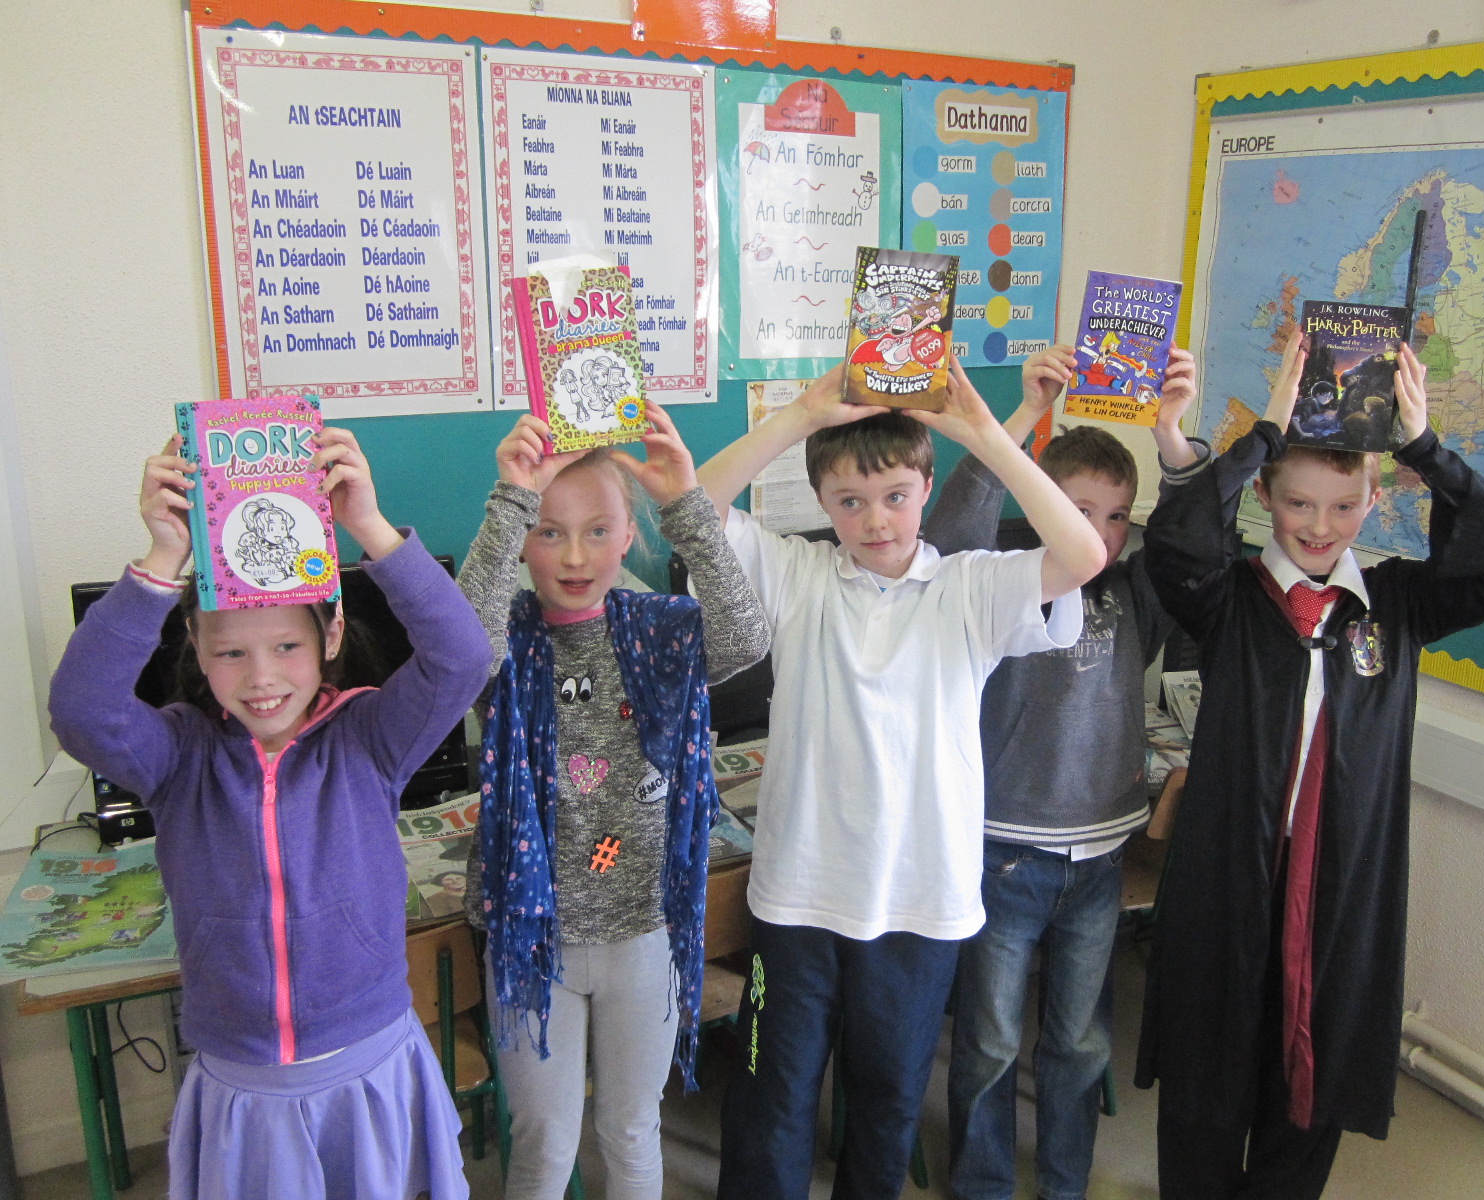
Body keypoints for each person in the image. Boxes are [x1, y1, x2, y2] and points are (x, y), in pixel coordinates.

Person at [1135, 333, 1484, 1200]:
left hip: (1339, 886)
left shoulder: (1395, 607)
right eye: (1296, 504)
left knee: (1312, 1076)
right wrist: (1264, 434)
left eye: (1344, 506)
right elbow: (1175, 540)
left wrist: (1423, 448)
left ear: (1372, 501)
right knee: (1209, 1076)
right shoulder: (1229, 599)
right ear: (1265, 497)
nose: (1319, 528)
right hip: (1231, 878)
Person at [697, 360, 1110, 1200]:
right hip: (799, 897)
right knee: (773, 1100)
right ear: (823, 504)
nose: (875, 519)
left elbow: (1083, 552)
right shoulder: (799, 574)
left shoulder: (972, 585)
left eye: (894, 495)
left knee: (887, 1103)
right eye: (850, 501)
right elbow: (690, 509)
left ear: (926, 488)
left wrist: (985, 432)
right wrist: (800, 416)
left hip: (920, 902)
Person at [49, 429, 492, 1200]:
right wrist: (161, 559)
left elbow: (462, 657)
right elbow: (81, 712)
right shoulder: (177, 755)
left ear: (332, 635)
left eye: (286, 646)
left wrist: (369, 527)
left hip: (369, 1058)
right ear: (195, 645)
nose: (261, 678)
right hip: (243, 1081)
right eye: (231, 653)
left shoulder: (369, 738)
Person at [457, 402, 769, 1200]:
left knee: (631, 1132)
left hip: (642, 931)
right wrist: (509, 497)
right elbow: (454, 650)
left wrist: (685, 502)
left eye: (598, 530)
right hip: (534, 940)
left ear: (630, 534)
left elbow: (745, 635)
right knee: (544, 1143)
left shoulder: (660, 632)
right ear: (523, 537)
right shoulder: (506, 639)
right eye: (548, 531)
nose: (574, 555)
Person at [924, 345, 1195, 1200]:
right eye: (1079, 510)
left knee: (1078, 1042)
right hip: (1005, 854)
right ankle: (982, 1185)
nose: (1101, 533)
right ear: (1041, 499)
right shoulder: (998, 580)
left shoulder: (1131, 592)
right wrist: (1025, 418)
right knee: (991, 1041)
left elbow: (1192, 547)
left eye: (1116, 517)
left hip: (1099, 860)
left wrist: (1173, 441)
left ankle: (1065, 1183)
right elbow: (946, 535)